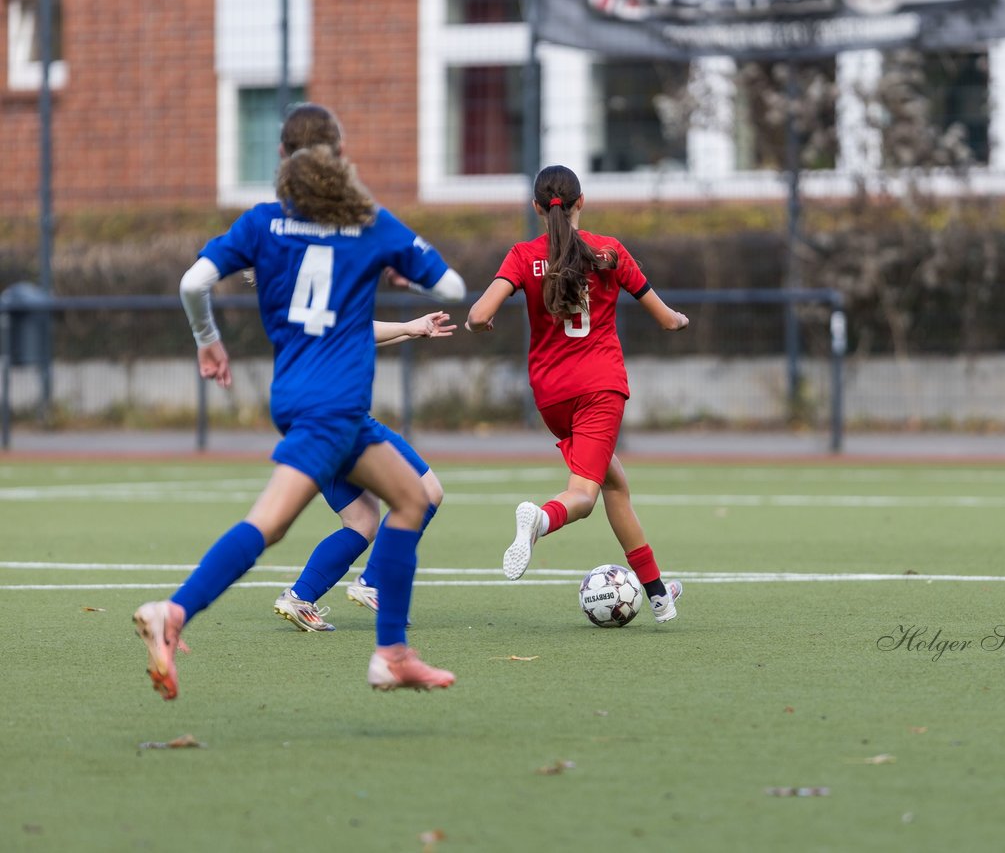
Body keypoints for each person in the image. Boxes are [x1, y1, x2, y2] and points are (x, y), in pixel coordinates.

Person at [133, 103, 459, 699]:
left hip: (308, 405)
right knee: (273, 522)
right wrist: (400, 270)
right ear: (340, 157)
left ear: (281, 158)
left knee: (413, 497)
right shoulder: (366, 227)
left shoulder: (264, 226)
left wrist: (209, 343)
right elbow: (454, 287)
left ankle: (389, 650)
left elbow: (192, 283)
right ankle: (174, 613)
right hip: (332, 411)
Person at [465, 164, 689, 622]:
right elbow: (666, 319)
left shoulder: (523, 255)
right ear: (581, 202)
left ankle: (659, 595)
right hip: (599, 388)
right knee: (584, 495)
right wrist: (681, 320)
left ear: (536, 208)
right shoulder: (608, 252)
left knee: (615, 484)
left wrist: (481, 320)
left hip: (550, 395)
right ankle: (540, 520)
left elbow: (477, 314)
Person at [272, 310, 455, 632]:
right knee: (428, 491)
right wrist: (407, 325)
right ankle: (374, 581)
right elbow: (352, 327)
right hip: (343, 420)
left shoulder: (285, 299)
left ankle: (300, 596)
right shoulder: (308, 284)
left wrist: (411, 331)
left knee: (361, 521)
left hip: (312, 424)